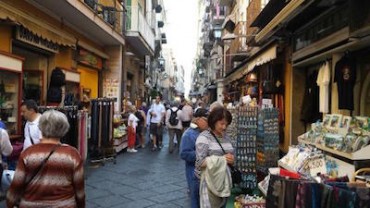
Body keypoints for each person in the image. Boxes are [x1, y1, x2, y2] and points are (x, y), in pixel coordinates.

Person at [6, 110, 85, 208]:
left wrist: (10, 203)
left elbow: (16, 186)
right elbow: (79, 189)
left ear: (41, 127)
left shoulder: (28, 153)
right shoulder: (72, 154)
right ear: (64, 129)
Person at [195, 107, 234, 208]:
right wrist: (222, 159)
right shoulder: (204, 138)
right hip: (209, 183)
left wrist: (232, 160)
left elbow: (231, 156)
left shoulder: (227, 137)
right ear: (214, 121)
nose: (224, 127)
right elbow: (200, 163)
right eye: (222, 123)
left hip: (225, 182)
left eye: (227, 124)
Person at [180, 108, 209, 208]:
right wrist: (203, 155)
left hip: (205, 173)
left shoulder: (205, 132)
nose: (208, 122)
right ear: (198, 119)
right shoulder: (188, 134)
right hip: (194, 174)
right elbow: (184, 154)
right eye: (206, 120)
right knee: (195, 200)